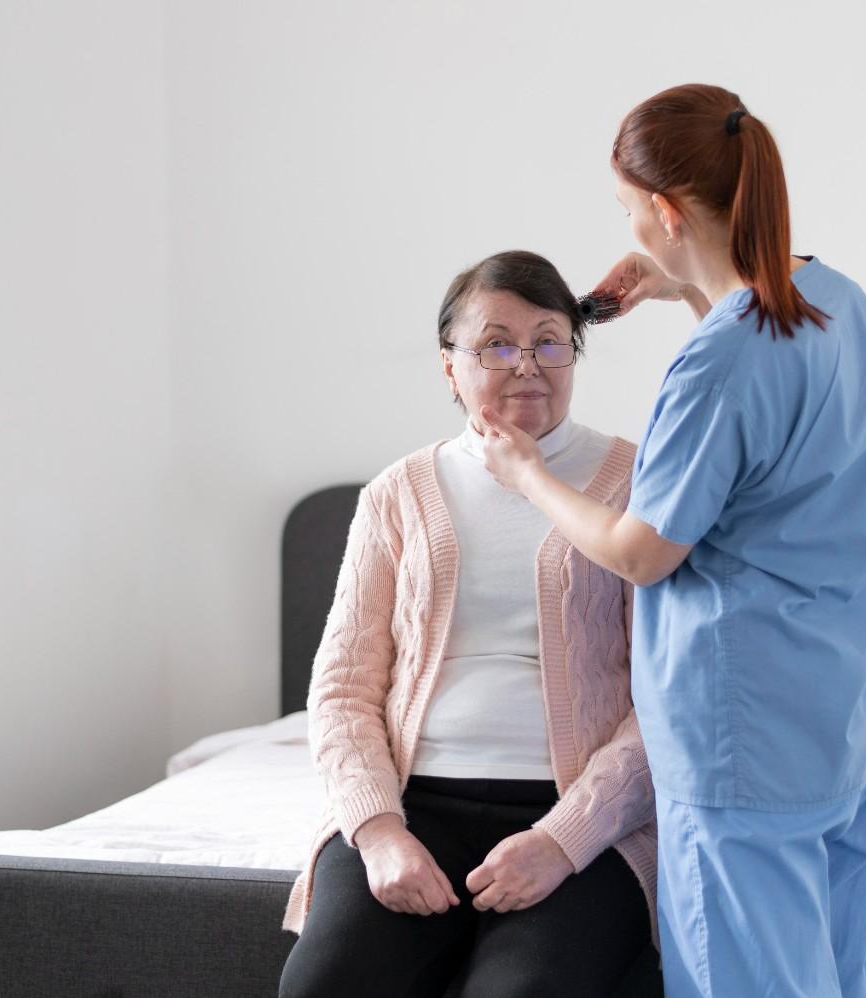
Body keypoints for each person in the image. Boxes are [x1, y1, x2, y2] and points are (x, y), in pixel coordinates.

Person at [479, 85, 866, 998]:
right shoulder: (839, 301)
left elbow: (642, 550)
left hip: (741, 747)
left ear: (667, 214)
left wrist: (529, 476)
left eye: (632, 214)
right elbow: (770, 449)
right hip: (839, 727)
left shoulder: (722, 360)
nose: (630, 232)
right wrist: (688, 288)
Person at [278, 250, 658, 998]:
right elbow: (344, 690)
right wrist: (380, 833)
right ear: (448, 366)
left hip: (577, 814)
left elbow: (670, 705)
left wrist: (562, 839)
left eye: (550, 341)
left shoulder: (637, 484)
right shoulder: (397, 494)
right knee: (320, 988)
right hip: (415, 805)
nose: (527, 365)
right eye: (495, 344)